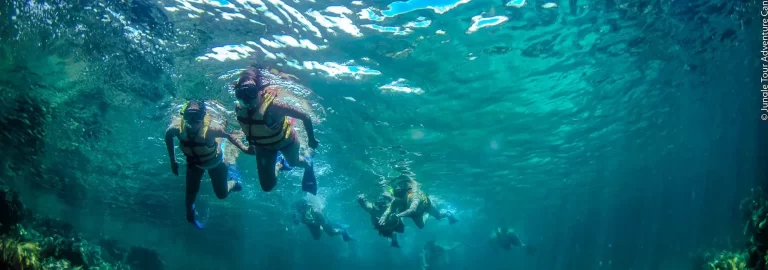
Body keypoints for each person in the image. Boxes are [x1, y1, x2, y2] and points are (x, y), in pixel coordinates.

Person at [164, 100, 251, 229]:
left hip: (216, 163)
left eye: (197, 117)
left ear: (203, 117)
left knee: (221, 195)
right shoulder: (176, 129)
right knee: (189, 200)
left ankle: (234, 181)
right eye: (189, 116)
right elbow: (168, 136)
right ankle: (191, 215)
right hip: (195, 165)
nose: (193, 121)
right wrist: (173, 161)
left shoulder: (211, 130)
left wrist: (245, 148)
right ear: (183, 116)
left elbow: (229, 136)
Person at [233, 66, 319, 195]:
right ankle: (279, 164)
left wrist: (311, 139)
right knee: (267, 186)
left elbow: (305, 116)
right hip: (264, 147)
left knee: (294, 162)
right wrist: (251, 145)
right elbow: (248, 128)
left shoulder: (275, 107)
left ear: (260, 91)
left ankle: (308, 165)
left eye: (250, 92)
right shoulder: (239, 108)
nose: (246, 99)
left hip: (286, 142)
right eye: (241, 94)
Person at [379, 176, 459, 229]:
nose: (399, 199)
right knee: (421, 226)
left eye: (401, 197)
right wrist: (384, 217)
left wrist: (398, 215)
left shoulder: (414, 196)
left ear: (406, 192)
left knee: (438, 217)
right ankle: (427, 215)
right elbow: (389, 210)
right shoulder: (396, 201)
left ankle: (447, 213)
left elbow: (412, 209)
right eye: (398, 198)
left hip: (426, 205)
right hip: (416, 214)